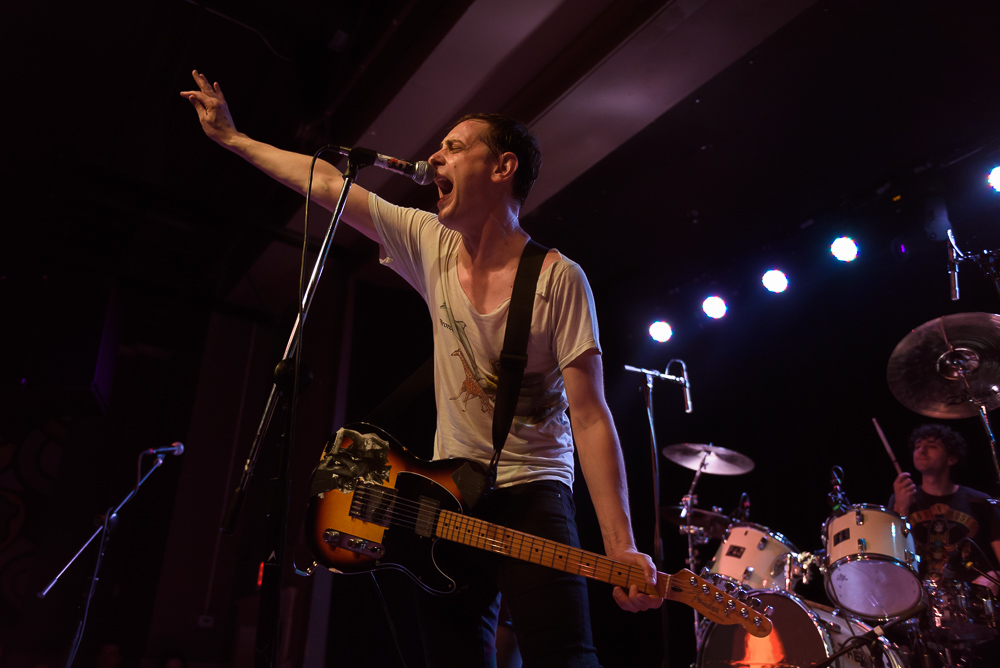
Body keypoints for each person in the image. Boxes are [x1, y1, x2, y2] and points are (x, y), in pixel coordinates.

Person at [181, 70, 661, 666]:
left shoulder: (558, 280)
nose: (434, 156)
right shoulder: (428, 239)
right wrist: (232, 139)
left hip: (533, 489)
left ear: (503, 168)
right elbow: (329, 184)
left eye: (455, 147)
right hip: (447, 494)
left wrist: (622, 547)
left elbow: (590, 417)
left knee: (564, 658)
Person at [890, 423, 1000, 594]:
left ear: (951, 458)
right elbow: (890, 559)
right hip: (916, 598)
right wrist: (901, 509)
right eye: (917, 446)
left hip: (970, 601)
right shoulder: (900, 499)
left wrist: (994, 576)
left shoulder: (979, 501)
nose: (922, 450)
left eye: (932, 446)